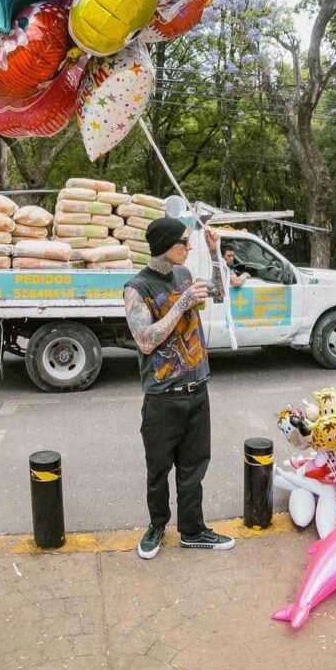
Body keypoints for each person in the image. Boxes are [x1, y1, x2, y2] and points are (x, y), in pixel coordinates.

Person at [123, 217, 235, 559]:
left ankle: (192, 529)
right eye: (184, 242)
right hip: (162, 397)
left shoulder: (184, 275)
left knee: (193, 467)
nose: (189, 247)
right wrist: (181, 303)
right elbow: (145, 341)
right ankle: (157, 526)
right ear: (166, 245)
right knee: (158, 470)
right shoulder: (137, 288)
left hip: (197, 390)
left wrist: (215, 254)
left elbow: (216, 293)